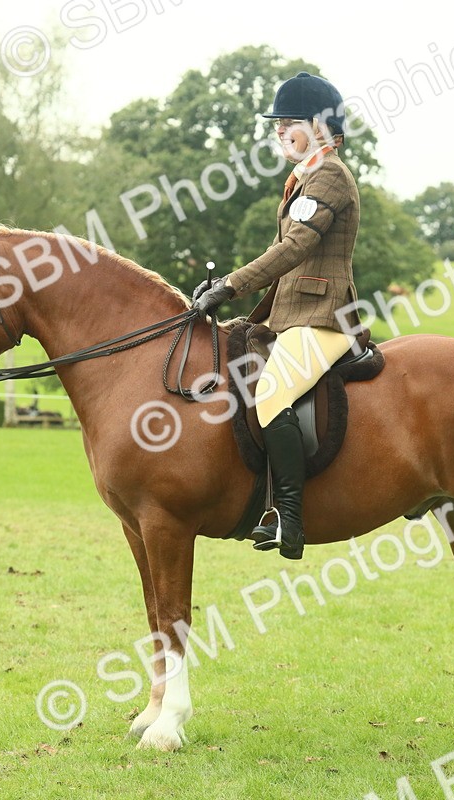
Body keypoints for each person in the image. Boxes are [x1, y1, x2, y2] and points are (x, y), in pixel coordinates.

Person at [192, 71, 361, 560]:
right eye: (277, 124)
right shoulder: (300, 180)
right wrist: (224, 283)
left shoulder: (330, 176)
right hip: (288, 315)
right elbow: (278, 251)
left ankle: (290, 515)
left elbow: (295, 247)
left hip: (323, 316)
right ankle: (263, 502)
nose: (279, 132)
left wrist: (229, 286)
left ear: (319, 126)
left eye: (289, 123)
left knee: (270, 392)